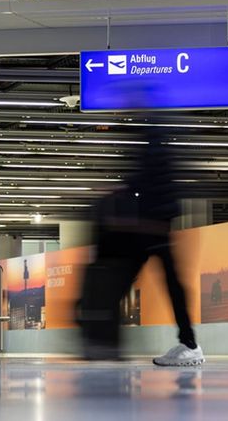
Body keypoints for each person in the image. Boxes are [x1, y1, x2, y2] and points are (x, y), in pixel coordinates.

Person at [77, 117, 203, 367]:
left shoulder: (153, 146)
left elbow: (147, 181)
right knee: (168, 285)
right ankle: (187, 342)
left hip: (150, 227)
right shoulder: (154, 145)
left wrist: (123, 193)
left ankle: (187, 344)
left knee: (129, 282)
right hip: (154, 227)